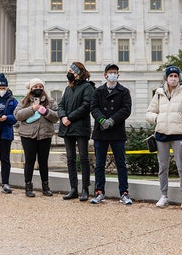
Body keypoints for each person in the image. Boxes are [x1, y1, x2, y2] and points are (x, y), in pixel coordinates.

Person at [146, 65, 182, 208]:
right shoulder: (159, 93)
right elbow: (149, 112)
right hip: (161, 135)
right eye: (171, 76)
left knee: (181, 167)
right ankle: (164, 195)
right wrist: (157, 118)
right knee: (163, 167)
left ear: (179, 78)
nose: (173, 79)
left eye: (176, 76)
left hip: (179, 135)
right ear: (166, 78)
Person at [90, 64, 133, 205]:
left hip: (117, 131)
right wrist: (102, 119)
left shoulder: (124, 91)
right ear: (105, 75)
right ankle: (99, 191)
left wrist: (112, 120)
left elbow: (126, 109)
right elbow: (94, 108)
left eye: (115, 72)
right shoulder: (98, 91)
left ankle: (124, 193)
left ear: (118, 75)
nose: (113, 74)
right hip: (100, 132)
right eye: (110, 72)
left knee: (121, 163)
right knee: (99, 164)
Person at [14, 78, 59, 197]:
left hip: (45, 134)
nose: (38, 88)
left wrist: (46, 112)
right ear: (31, 88)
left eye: (40, 86)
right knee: (29, 161)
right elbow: (17, 115)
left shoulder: (50, 101)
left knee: (43, 162)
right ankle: (28, 187)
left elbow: (56, 117)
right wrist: (32, 109)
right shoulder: (24, 101)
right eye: (36, 86)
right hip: (28, 135)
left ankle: (46, 187)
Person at [58, 62, 95, 201]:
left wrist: (70, 118)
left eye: (70, 71)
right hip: (67, 127)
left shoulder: (87, 87)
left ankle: (85, 188)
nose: (68, 73)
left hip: (80, 127)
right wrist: (62, 116)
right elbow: (61, 105)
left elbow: (86, 106)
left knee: (84, 158)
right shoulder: (68, 88)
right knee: (70, 159)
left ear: (78, 72)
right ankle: (73, 188)